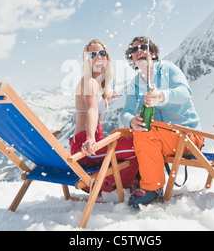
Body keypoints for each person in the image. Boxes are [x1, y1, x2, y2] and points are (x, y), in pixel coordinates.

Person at [121, 36, 204, 207]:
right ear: (132, 57)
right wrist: (131, 120)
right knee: (124, 135)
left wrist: (162, 96)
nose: (139, 51)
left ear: (152, 52)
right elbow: (126, 112)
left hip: (188, 137)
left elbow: (185, 92)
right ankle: (127, 181)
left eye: (144, 47)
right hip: (162, 139)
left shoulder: (169, 69)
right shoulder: (134, 84)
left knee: (144, 133)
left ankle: (153, 189)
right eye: (134, 49)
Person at [69, 39, 138, 192]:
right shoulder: (89, 82)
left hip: (92, 144)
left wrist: (106, 100)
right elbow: (91, 110)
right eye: (93, 54)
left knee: (135, 141)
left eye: (102, 53)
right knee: (138, 145)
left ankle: (111, 183)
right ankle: (118, 187)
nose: (99, 57)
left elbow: (94, 105)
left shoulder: (95, 83)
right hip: (86, 147)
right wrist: (90, 138)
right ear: (87, 59)